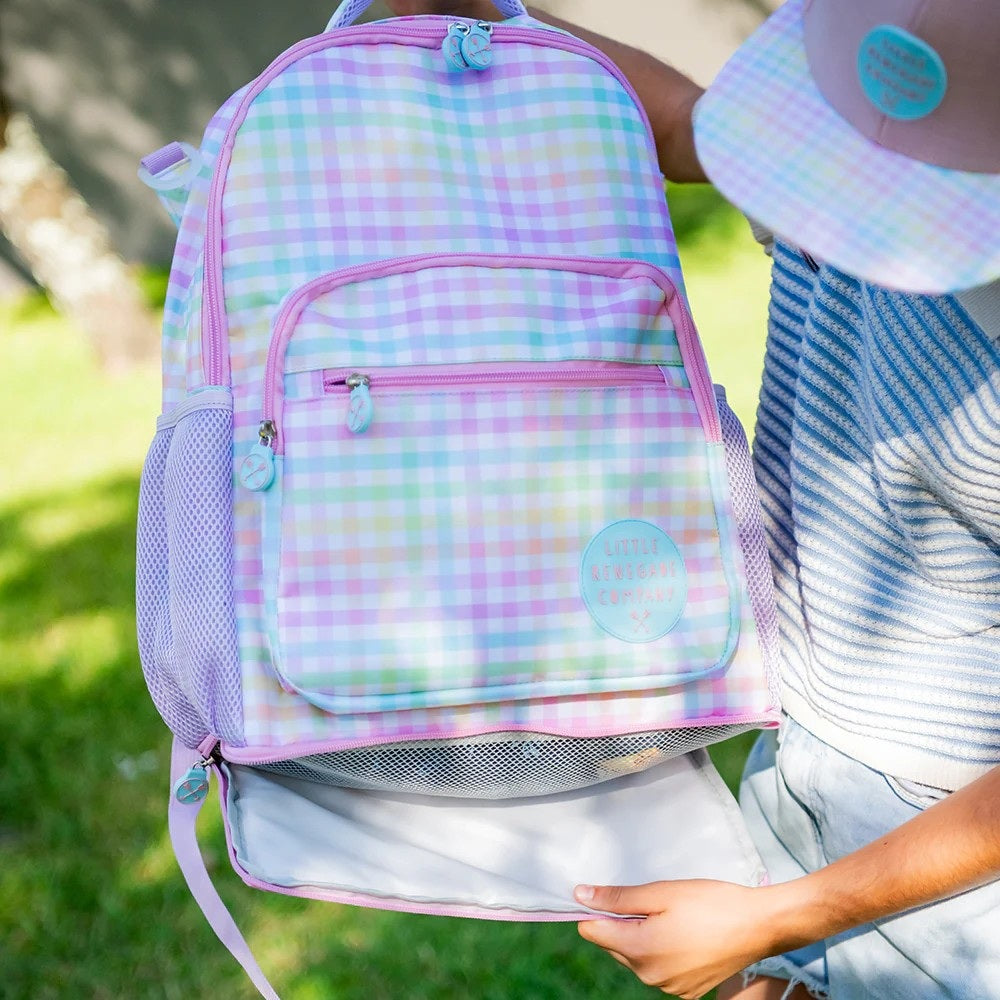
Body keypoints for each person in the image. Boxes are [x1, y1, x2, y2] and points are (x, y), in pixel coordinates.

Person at [392, 2, 1000, 997]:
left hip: (963, 876)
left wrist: (779, 916)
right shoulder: (843, 174)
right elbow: (677, 120)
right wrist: (479, 15)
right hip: (805, 766)